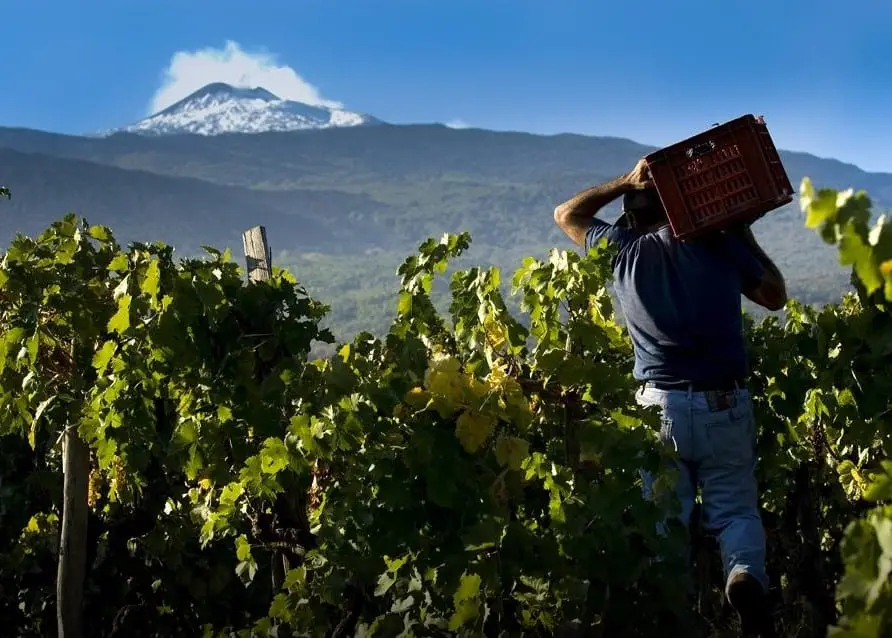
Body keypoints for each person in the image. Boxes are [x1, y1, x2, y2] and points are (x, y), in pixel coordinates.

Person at [553, 158, 786, 635]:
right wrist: (740, 231)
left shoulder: (619, 249)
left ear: (632, 217)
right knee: (736, 509)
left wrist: (622, 180)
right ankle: (742, 575)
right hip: (724, 402)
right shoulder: (717, 244)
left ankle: (672, 614)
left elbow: (566, 214)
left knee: (664, 524)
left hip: (659, 407)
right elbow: (774, 294)